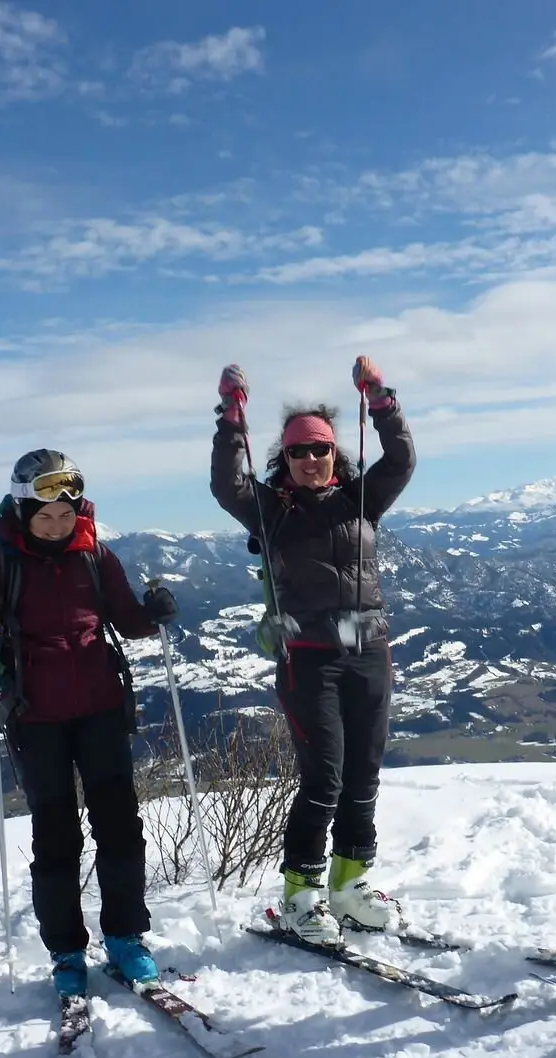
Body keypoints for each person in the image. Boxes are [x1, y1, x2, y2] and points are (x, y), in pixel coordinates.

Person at [0, 450, 177, 1003]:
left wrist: (155, 612)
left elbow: (125, 619)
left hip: (100, 708)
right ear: (23, 512)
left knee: (120, 827)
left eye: (64, 514)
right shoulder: (1, 567)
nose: (55, 526)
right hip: (35, 717)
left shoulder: (96, 557)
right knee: (56, 837)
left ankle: (126, 936)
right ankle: (66, 952)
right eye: (44, 516)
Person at [209, 358, 416, 945]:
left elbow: (400, 460)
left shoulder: (360, 500)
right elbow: (228, 484)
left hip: (369, 652)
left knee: (363, 774)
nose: (311, 461)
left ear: (334, 453)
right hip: (308, 659)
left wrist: (380, 399)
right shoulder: (271, 510)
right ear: (285, 459)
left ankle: (349, 887)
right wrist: (231, 419)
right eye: (299, 453)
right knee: (323, 776)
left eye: (320, 450)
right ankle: (300, 894)